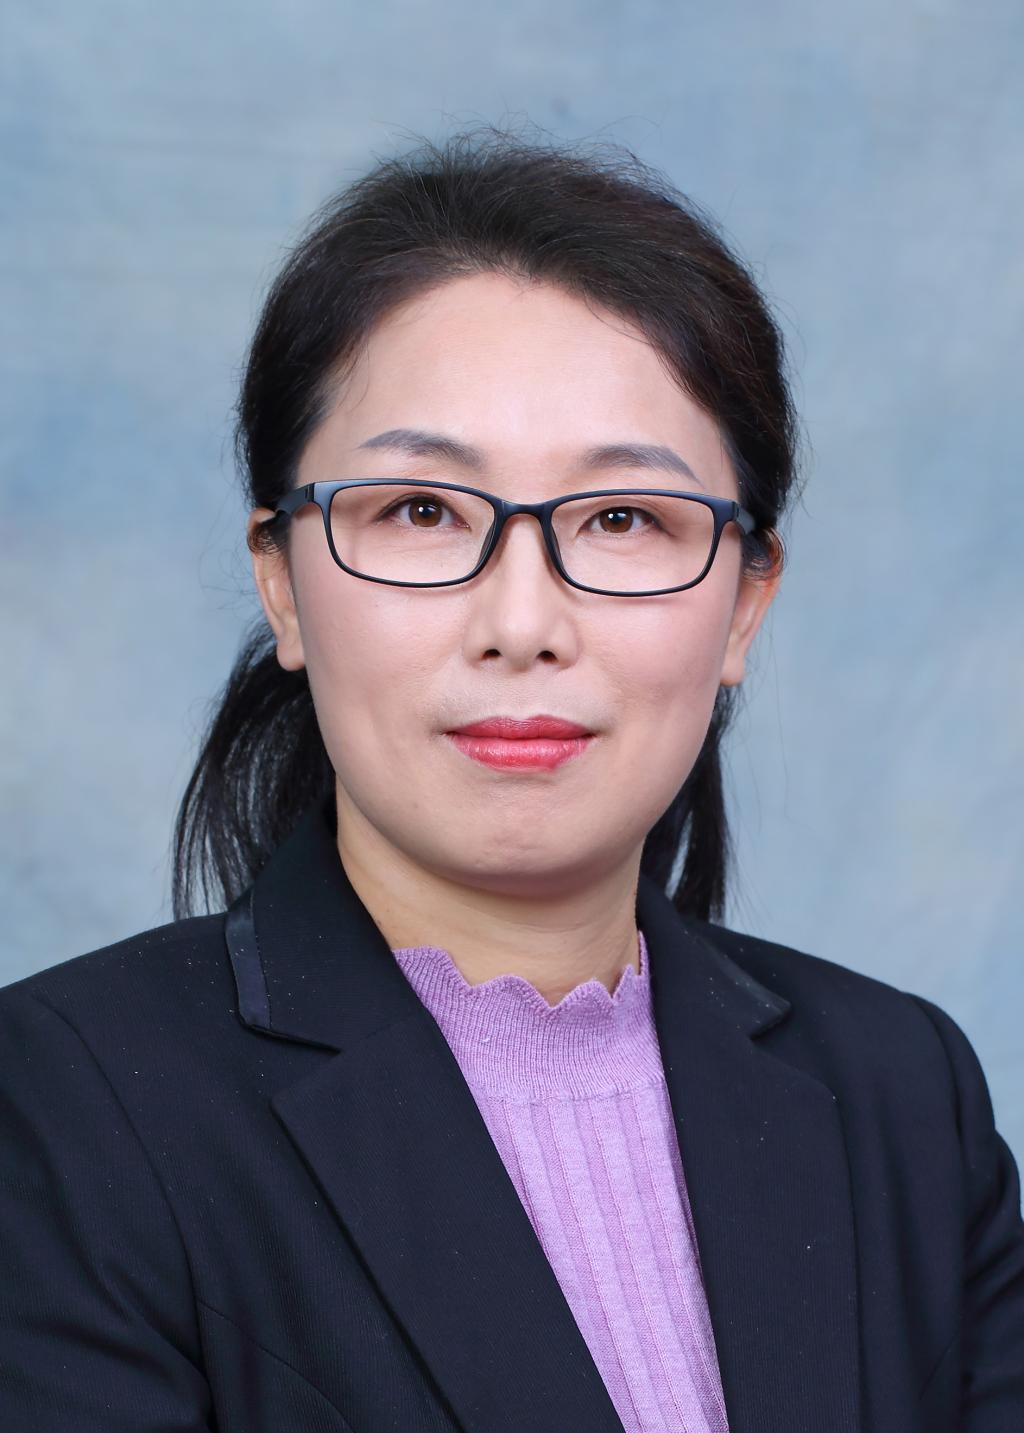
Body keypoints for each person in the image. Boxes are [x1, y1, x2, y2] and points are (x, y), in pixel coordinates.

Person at [1, 128, 1021, 1433]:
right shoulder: (67, 1108)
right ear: (284, 583)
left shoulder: (903, 1098)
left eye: (623, 518)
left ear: (745, 603)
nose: (522, 622)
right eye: (423, 511)